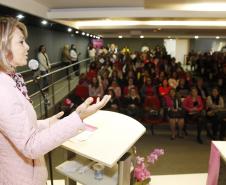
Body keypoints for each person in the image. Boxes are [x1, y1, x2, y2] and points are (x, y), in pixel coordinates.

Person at [0, 17, 111, 185]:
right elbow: (30, 145)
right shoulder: (3, 90)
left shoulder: (9, 81)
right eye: (21, 42)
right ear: (3, 47)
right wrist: (77, 118)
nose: (27, 47)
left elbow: (18, 128)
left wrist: (47, 123)